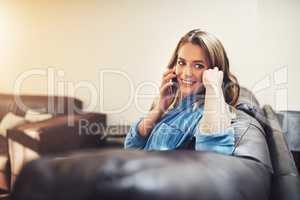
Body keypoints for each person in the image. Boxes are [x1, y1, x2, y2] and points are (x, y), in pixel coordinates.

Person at [124, 29, 240, 155]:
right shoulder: (175, 107)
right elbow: (131, 146)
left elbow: (213, 157)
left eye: (198, 66)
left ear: (214, 73)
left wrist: (213, 88)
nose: (186, 73)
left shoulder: (209, 114)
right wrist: (160, 107)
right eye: (181, 62)